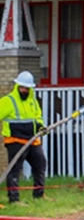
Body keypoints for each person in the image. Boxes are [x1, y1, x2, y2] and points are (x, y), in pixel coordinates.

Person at [0, 71, 47, 203]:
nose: (24, 90)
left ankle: (39, 195)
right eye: (22, 87)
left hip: (32, 140)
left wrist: (40, 127)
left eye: (27, 88)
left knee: (40, 164)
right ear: (17, 86)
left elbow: (37, 116)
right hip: (15, 141)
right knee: (15, 170)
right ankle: (14, 199)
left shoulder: (32, 101)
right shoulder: (8, 101)